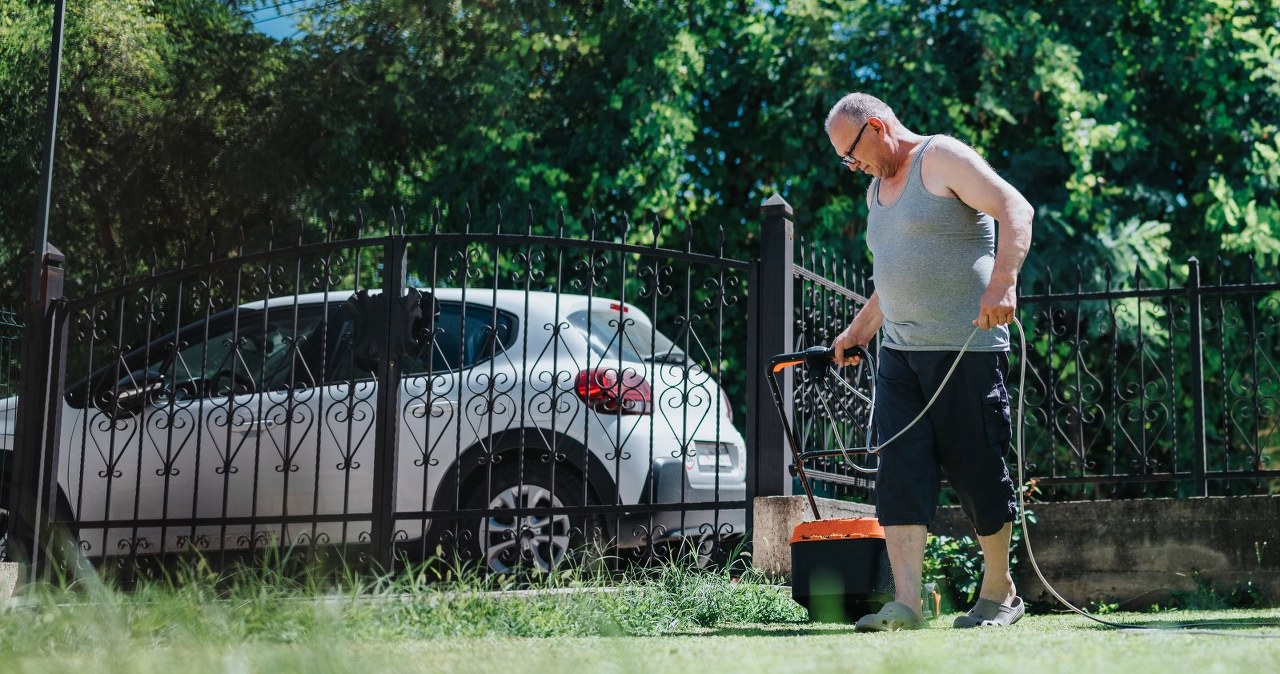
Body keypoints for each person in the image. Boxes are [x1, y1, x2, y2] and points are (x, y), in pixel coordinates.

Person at [824, 93, 1034, 631]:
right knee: (900, 475)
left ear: (876, 127)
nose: (853, 168)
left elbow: (1017, 209)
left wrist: (1002, 284)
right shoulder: (876, 191)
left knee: (978, 470)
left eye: (851, 154)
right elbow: (890, 281)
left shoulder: (940, 159)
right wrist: (856, 333)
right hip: (900, 355)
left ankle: (999, 592)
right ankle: (907, 605)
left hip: (967, 348)